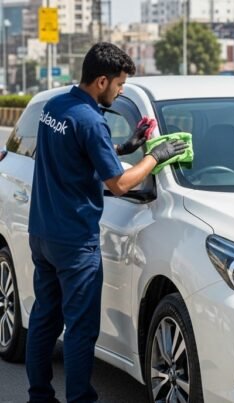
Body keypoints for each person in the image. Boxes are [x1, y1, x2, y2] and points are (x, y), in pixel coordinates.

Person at [26, 42, 187, 403]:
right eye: (119, 84)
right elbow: (119, 184)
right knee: (81, 330)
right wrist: (154, 156)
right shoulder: (91, 120)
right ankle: (80, 399)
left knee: (44, 319)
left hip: (43, 234)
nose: (121, 90)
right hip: (75, 241)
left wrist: (125, 147)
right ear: (101, 81)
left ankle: (39, 396)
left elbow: (78, 151)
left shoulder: (56, 107)